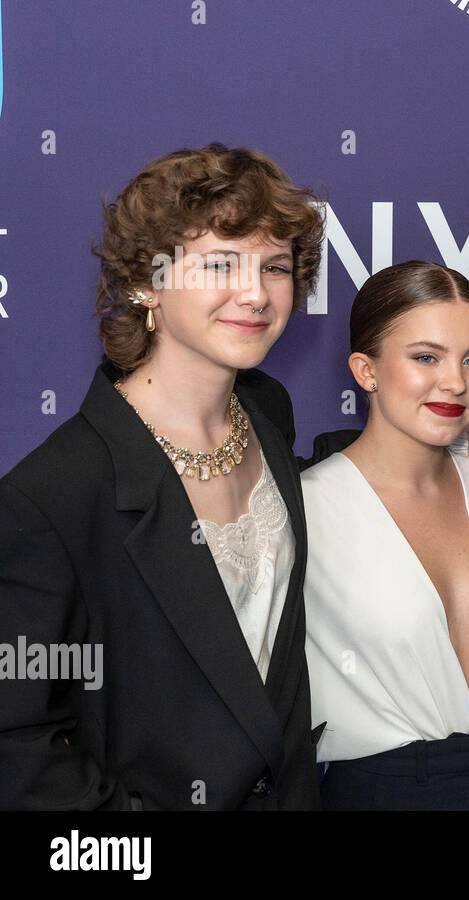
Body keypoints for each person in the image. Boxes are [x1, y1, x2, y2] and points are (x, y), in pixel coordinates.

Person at [0, 144, 326, 809]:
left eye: (275, 266)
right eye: (219, 263)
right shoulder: (53, 496)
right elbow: (15, 740)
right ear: (145, 283)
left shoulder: (268, 414)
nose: (255, 293)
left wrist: (465, 446)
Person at [303, 262, 469, 810]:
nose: (456, 382)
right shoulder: (302, 510)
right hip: (378, 793)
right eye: (426, 357)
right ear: (366, 370)